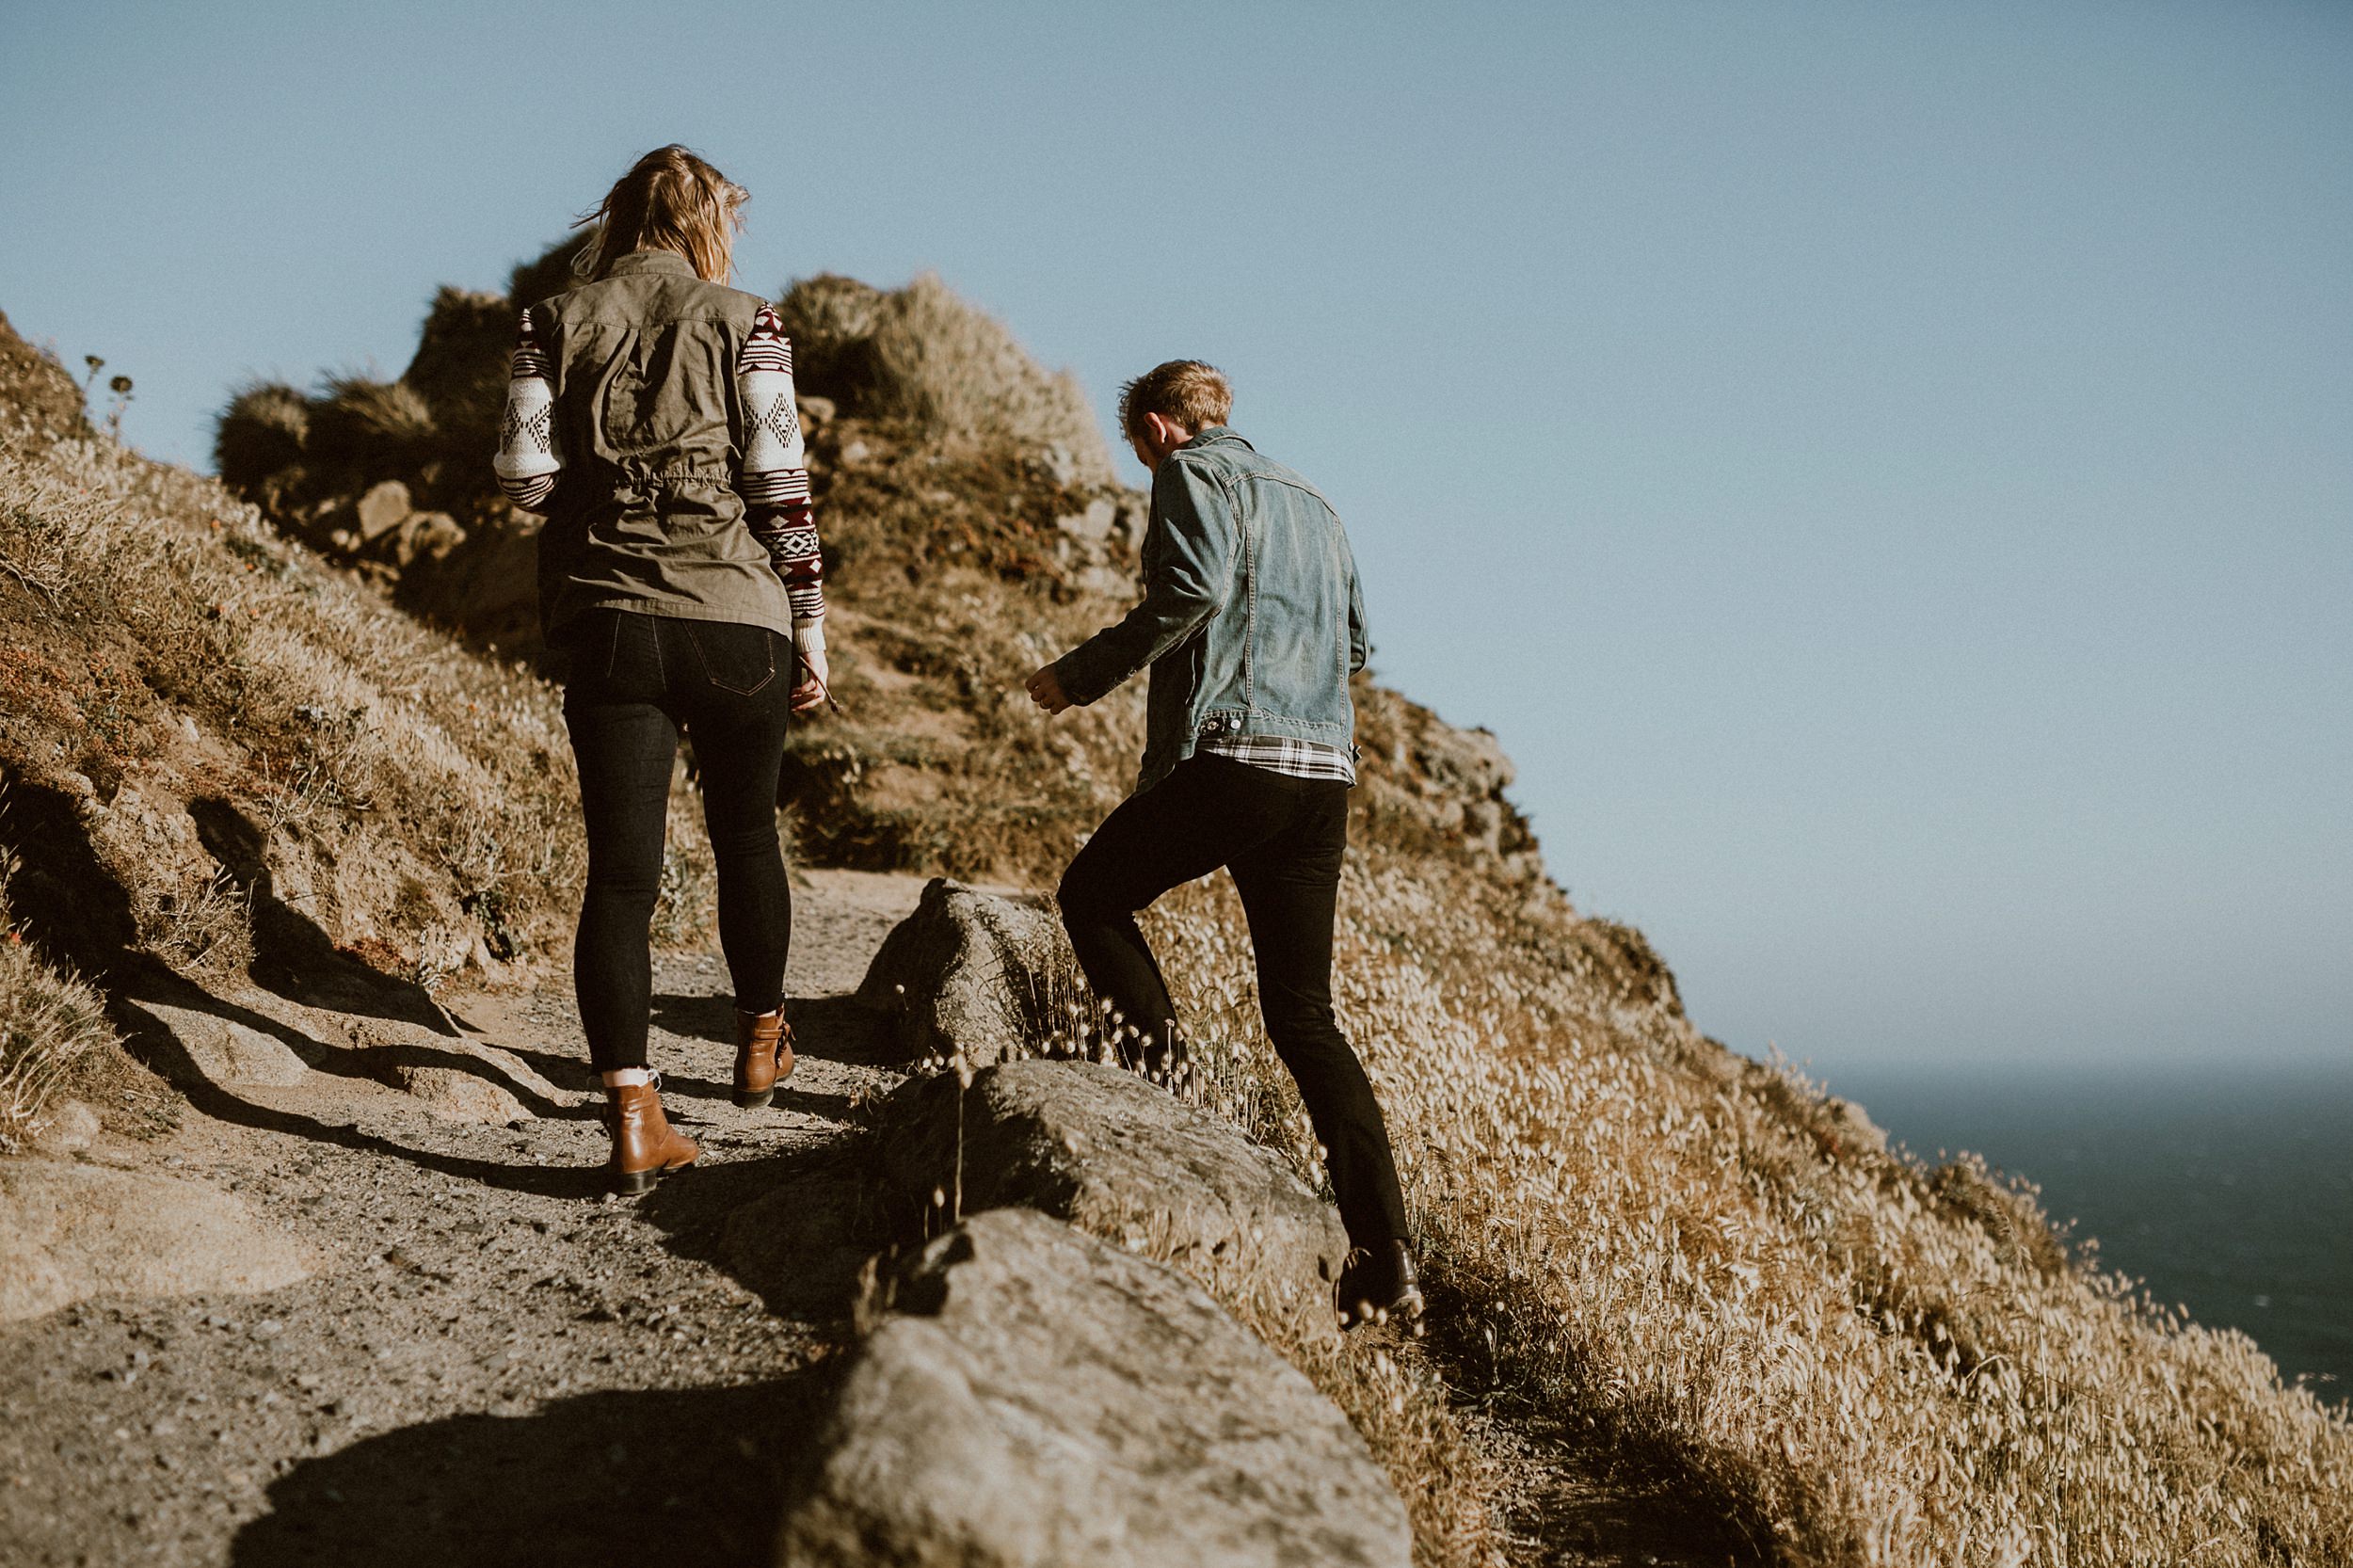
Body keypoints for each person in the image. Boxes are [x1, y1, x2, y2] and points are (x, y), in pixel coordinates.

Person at [1024, 361, 1421, 1327]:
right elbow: (1359, 647)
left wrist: (1077, 677)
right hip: (1323, 775)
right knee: (1304, 1018)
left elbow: (1191, 591)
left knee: (1091, 896)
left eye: (1138, 448)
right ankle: (1387, 1255)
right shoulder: (1316, 501)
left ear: (1159, 429)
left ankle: (1169, 1100)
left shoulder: (1192, 475)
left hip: (1238, 755)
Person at [494, 145, 827, 1193]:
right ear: (705, 224)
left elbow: (523, 477)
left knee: (623, 876)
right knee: (745, 835)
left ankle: (634, 1114)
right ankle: (761, 1036)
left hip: (607, 616)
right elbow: (780, 486)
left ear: (623, 216)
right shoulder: (746, 318)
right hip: (736, 614)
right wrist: (808, 626)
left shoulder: (551, 316)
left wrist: (600, 498)